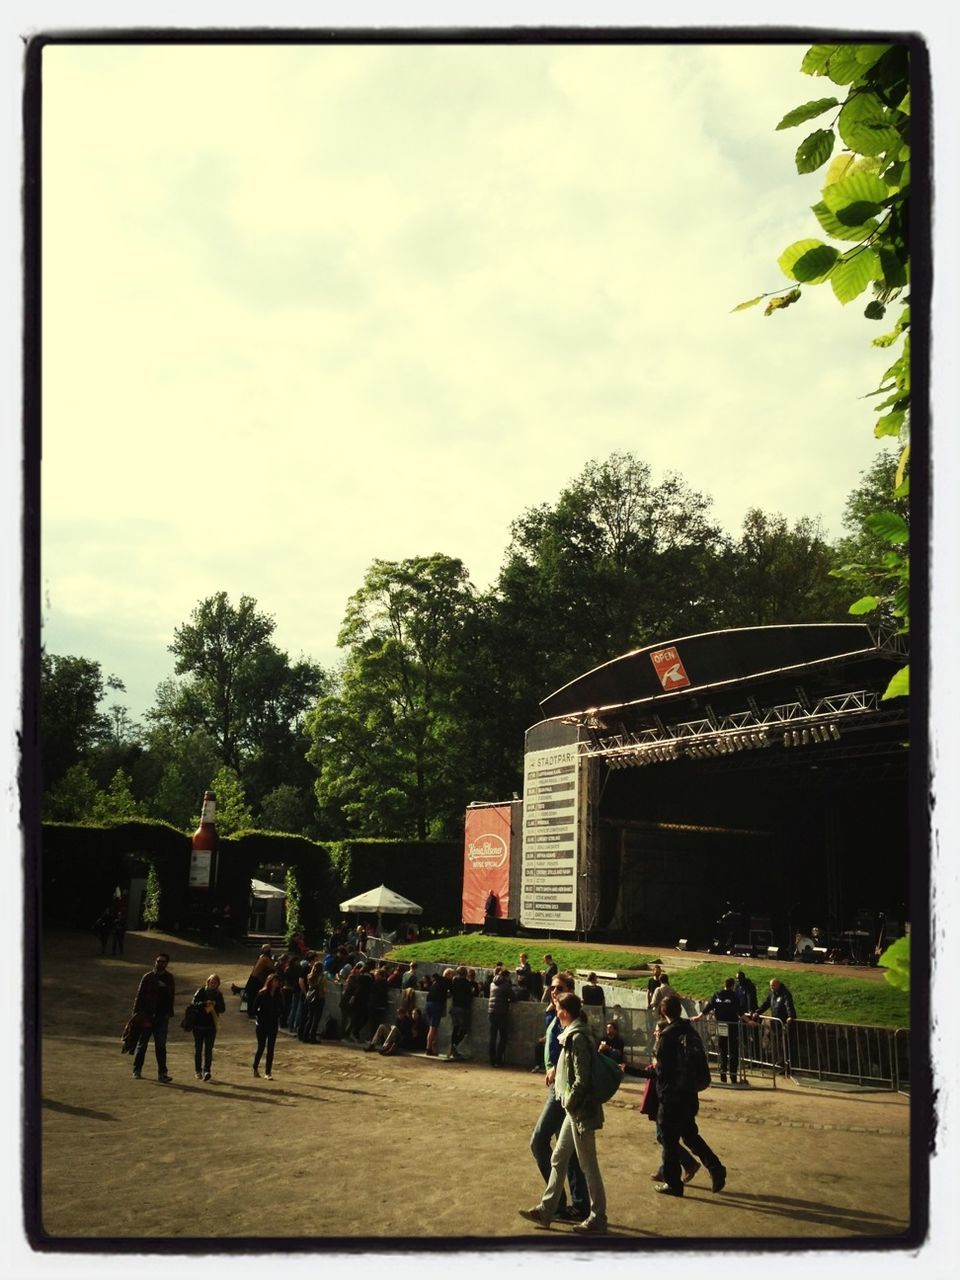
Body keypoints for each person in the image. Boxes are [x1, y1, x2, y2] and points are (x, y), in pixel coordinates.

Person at [519, 992, 608, 1234]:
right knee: (558, 1158)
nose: (555, 1013)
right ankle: (546, 1209)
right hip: (575, 1109)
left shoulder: (577, 1037)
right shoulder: (575, 1033)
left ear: (565, 1012)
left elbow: (581, 1079)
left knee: (588, 1164)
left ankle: (598, 1217)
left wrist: (568, 1102)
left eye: (558, 1009)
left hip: (580, 1110)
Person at [528, 972, 589, 1223]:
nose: (553, 992)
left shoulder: (574, 1017)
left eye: (559, 988)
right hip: (557, 1086)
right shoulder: (554, 1014)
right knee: (569, 1150)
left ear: (571, 991)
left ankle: (561, 1204)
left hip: (562, 1090)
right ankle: (578, 1205)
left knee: (539, 1142)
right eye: (552, 988)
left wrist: (556, 1066)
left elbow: (577, 1046)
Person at [653, 995, 726, 1197]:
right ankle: (715, 1166)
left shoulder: (667, 1036)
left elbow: (661, 1071)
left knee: (668, 1140)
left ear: (663, 1012)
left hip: (671, 1096)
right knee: (690, 1135)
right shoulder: (688, 1031)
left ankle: (674, 1184)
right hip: (689, 1093)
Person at [691, 977, 745, 1084]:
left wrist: (698, 1017)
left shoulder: (717, 994)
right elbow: (740, 1012)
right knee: (733, 1050)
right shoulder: (734, 996)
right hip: (732, 1026)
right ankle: (733, 1076)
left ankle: (723, 1074)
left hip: (721, 1025)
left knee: (722, 1050)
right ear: (733, 986)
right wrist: (749, 1021)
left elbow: (708, 1007)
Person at [130, 953, 175, 1082]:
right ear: (155, 962)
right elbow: (139, 997)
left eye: (163, 961)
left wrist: (168, 1013)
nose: (161, 963)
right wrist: (136, 1015)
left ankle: (162, 1074)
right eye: (159, 961)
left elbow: (171, 997)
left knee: (161, 1046)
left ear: (167, 963)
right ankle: (136, 1070)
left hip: (162, 1018)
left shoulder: (169, 978)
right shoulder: (148, 977)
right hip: (147, 1016)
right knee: (142, 1044)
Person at [751, 977, 798, 1073]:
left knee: (785, 1045)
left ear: (778, 985)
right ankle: (781, 1063)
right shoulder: (772, 994)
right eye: (770, 986)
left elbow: (788, 1005)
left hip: (784, 1023)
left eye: (773, 985)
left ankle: (788, 1067)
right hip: (775, 1024)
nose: (771, 987)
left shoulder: (785, 994)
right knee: (777, 1044)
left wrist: (790, 1016)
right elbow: (766, 1004)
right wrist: (758, 1012)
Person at [190, 973, 225, 1081]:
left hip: (211, 1026)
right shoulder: (201, 991)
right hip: (199, 1025)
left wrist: (215, 1004)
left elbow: (223, 1009)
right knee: (198, 1049)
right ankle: (197, 1071)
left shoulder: (218, 995)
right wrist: (205, 1003)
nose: (213, 984)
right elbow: (193, 1004)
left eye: (215, 983)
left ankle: (207, 1071)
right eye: (211, 982)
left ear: (218, 984)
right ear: (208, 982)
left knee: (208, 1050)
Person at [253, 973, 284, 1079]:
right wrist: (259, 1015)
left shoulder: (278, 995)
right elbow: (254, 1008)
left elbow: (282, 1007)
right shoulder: (262, 994)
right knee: (261, 1047)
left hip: (273, 1024)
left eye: (277, 982)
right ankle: (255, 1067)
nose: (276, 983)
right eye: (274, 981)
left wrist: (278, 1013)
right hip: (262, 1024)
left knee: (271, 1048)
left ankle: (268, 1072)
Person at [487, 968, 514, 1066]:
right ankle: (499, 1060)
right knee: (503, 1037)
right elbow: (513, 997)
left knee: (492, 1037)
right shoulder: (506, 984)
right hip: (501, 1012)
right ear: (506, 976)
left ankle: (491, 1060)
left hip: (491, 1011)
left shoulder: (492, 984)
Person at [425, 968, 453, 1056]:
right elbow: (452, 991)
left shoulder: (437, 981)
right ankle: (428, 1048)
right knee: (433, 1028)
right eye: (452, 975)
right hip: (436, 1005)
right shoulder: (447, 981)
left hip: (428, 1003)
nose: (452, 977)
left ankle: (434, 1049)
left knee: (434, 1027)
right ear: (448, 974)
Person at [448, 965, 474, 1059]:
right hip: (463, 1008)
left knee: (455, 1028)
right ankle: (455, 1045)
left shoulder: (454, 981)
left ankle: (452, 1048)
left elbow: (451, 992)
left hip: (454, 1007)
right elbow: (471, 995)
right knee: (464, 1029)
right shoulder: (467, 983)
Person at [299, 958, 327, 1044]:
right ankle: (313, 1037)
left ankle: (305, 1036)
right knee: (316, 1019)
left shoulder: (310, 976)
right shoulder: (322, 977)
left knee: (310, 1018)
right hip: (319, 998)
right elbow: (325, 989)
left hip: (310, 998)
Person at [244, 944, 275, 1019]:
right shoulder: (265, 959)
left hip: (253, 978)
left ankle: (251, 1011)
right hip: (256, 980)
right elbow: (273, 967)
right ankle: (252, 1012)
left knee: (252, 996)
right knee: (254, 996)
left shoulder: (261, 957)